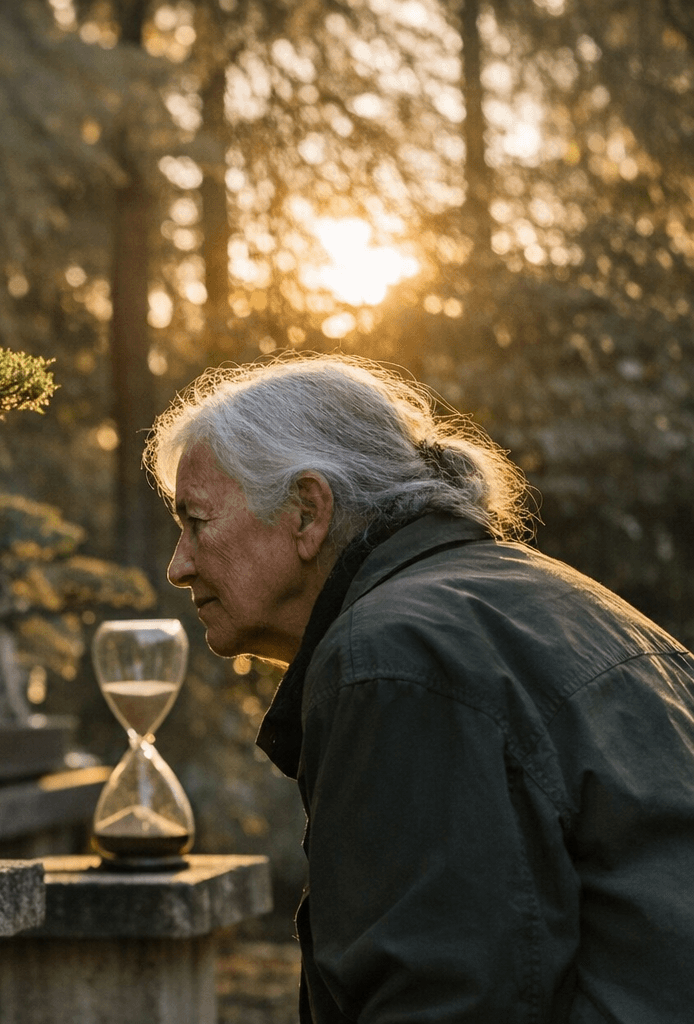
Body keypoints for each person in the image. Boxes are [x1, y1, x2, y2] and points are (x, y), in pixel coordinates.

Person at [145, 353, 694, 1023]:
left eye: (197, 522)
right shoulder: (556, 599)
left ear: (306, 512)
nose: (178, 565)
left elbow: (436, 999)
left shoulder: (392, 656)